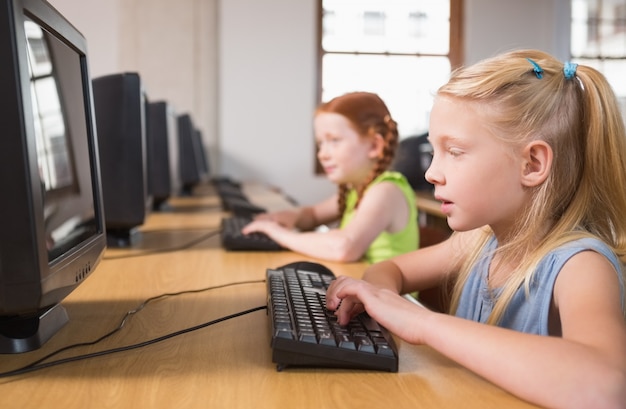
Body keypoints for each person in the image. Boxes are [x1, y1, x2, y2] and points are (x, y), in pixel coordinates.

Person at [325, 49, 626, 409]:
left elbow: (608, 386)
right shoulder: (479, 241)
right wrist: (383, 299)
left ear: (532, 164)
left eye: (454, 151)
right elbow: (390, 270)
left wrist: (422, 323)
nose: (431, 173)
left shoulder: (580, 265)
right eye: (434, 152)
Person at [242, 91, 418, 263]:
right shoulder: (357, 189)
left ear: (374, 145)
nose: (322, 154)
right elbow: (313, 215)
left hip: (387, 292)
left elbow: (344, 247)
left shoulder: (386, 190)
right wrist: (292, 216)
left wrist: (278, 233)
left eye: (334, 140)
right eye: (320, 143)